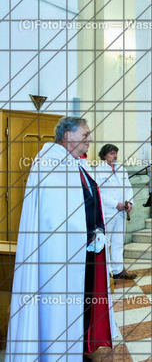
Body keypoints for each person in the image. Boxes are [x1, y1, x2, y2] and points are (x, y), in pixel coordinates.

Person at [6, 116, 118, 359]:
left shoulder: (75, 164)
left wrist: (96, 230)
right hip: (61, 255)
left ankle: (77, 348)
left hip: (84, 252)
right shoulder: (50, 164)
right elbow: (55, 219)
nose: (90, 140)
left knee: (84, 302)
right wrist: (86, 234)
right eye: (85, 135)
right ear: (68, 136)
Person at [94, 144, 136, 280]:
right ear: (104, 155)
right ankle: (107, 272)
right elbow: (98, 193)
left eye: (116, 153)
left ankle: (118, 270)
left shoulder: (122, 170)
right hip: (108, 212)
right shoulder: (97, 171)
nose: (115, 156)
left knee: (119, 241)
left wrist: (129, 202)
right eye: (112, 153)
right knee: (106, 242)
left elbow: (128, 188)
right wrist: (115, 204)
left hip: (121, 212)